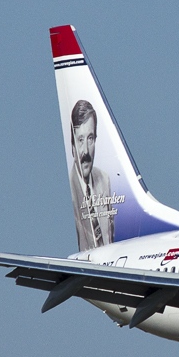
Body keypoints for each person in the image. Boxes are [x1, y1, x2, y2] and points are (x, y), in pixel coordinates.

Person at [68, 100, 114, 249]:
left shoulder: (104, 181)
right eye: (80, 140)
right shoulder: (71, 189)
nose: (86, 151)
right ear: (72, 146)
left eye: (90, 138)